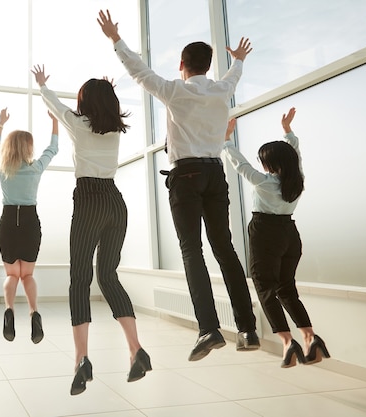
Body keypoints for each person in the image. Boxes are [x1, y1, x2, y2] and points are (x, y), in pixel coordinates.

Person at [98, 9, 259, 362]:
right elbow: (233, 76)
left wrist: (116, 39)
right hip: (216, 173)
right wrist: (240, 61)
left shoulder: (175, 91)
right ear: (207, 65)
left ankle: (209, 328)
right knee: (225, 250)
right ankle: (247, 329)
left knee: (192, 251)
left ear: (183, 65)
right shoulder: (221, 90)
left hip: (185, 175)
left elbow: (139, 71)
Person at [31, 65, 151, 395]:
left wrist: (42, 84)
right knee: (108, 277)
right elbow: (99, 107)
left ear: (85, 103)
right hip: (116, 202)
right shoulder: (114, 129)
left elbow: (56, 106)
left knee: (80, 278)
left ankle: (81, 359)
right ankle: (136, 349)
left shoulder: (79, 125)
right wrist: (106, 92)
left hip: (89, 200)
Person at [223, 108, 330, 367]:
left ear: (270, 165)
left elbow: (240, 164)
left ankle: (286, 342)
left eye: (264, 161)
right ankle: (309, 338)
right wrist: (288, 131)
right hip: (290, 235)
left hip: (265, 232)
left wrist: (226, 138)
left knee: (264, 285)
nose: (261, 165)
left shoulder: (264, 182)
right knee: (286, 288)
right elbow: (296, 155)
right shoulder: (297, 179)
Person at [0, 108, 59, 344]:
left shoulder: (2, 168)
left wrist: (0, 125)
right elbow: (53, 149)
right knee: (27, 274)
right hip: (30, 222)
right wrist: (55, 123)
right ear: (28, 148)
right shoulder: (36, 168)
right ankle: (34, 313)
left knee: (12, 274)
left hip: (8, 221)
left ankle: (9, 311)